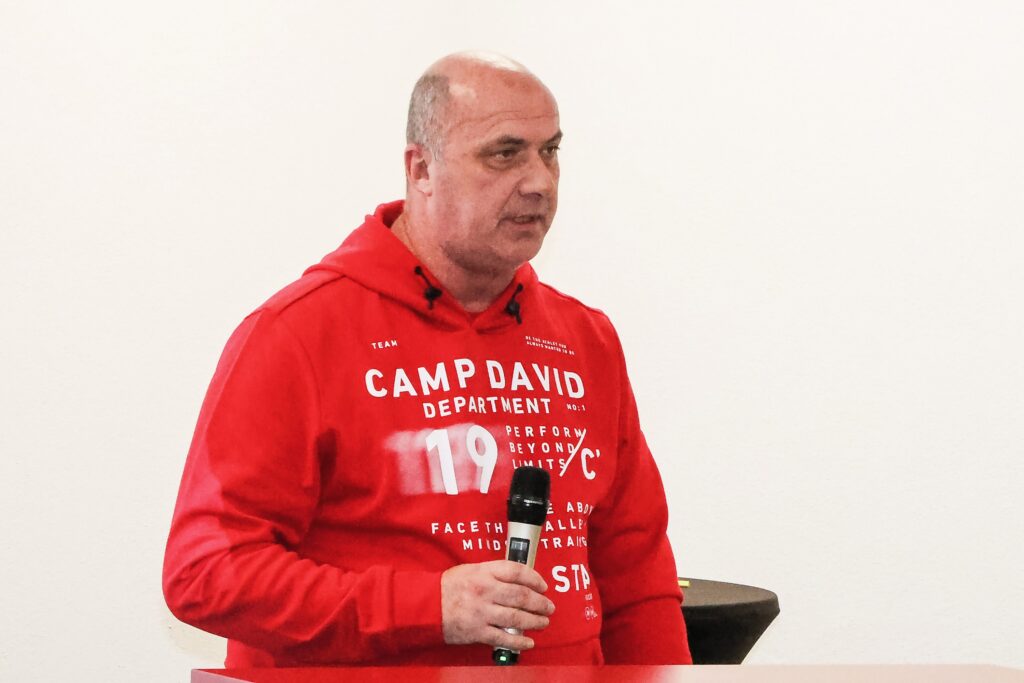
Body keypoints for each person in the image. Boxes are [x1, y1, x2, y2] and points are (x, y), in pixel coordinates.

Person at [163, 51, 692, 668]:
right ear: (421, 170)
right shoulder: (298, 336)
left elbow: (637, 579)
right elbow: (206, 572)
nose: (540, 182)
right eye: (504, 154)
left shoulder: (585, 340)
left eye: (550, 151)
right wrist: (429, 607)